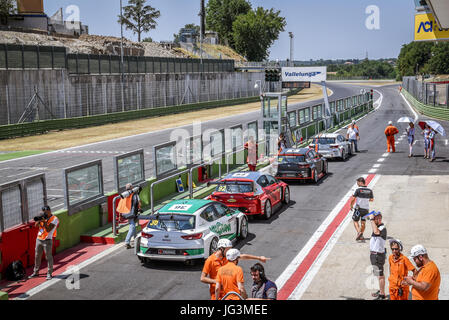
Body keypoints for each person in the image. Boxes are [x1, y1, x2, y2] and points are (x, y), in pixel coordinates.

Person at [201, 239, 270, 300]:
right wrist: (217, 281)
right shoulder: (210, 260)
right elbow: (202, 278)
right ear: (221, 249)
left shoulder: (229, 257)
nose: (229, 251)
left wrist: (259, 258)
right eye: (228, 249)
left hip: (229, 294)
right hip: (217, 295)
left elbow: (243, 256)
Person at [28, 206, 59, 280]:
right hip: (39, 239)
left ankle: (49, 273)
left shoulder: (54, 219)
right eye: (43, 212)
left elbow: (48, 229)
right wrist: (39, 220)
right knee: (37, 256)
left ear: (49, 211)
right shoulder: (42, 217)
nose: (44, 213)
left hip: (47, 240)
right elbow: (36, 226)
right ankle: (36, 272)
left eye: (45, 212)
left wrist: (44, 221)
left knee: (48, 257)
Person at [367, 212, 387, 300]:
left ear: (379, 219)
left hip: (378, 256)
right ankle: (380, 289)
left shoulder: (382, 228)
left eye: (375, 219)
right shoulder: (378, 227)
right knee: (377, 274)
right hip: (374, 255)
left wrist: (371, 219)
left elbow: (376, 231)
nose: (373, 221)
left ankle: (382, 294)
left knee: (380, 275)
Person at [117, 183, 142, 249]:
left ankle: (135, 239)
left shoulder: (124, 194)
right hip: (132, 213)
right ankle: (127, 242)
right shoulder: (134, 194)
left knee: (133, 225)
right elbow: (139, 202)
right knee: (132, 226)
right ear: (131, 187)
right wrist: (140, 209)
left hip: (125, 213)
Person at [350, 177, 374, 241]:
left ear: (360, 182)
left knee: (355, 221)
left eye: (357, 182)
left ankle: (359, 232)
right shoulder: (369, 190)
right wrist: (365, 200)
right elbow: (372, 200)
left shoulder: (358, 189)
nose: (357, 184)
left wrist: (351, 205)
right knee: (363, 223)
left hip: (358, 209)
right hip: (366, 209)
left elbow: (353, 199)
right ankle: (361, 235)